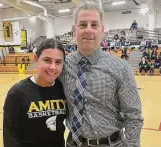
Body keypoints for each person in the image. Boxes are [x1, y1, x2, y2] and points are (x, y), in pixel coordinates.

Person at [60, 1, 144, 147]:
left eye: (94, 25)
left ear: (102, 30)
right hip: (73, 143)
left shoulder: (120, 68)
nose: (88, 30)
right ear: (74, 30)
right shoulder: (63, 66)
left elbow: (134, 117)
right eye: (82, 25)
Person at [3, 38, 67, 147]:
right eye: (47, 60)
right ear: (36, 59)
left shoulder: (63, 89)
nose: (53, 67)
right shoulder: (17, 93)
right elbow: (11, 138)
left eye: (58, 62)